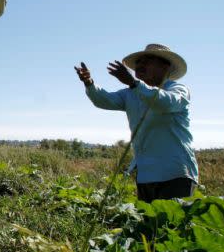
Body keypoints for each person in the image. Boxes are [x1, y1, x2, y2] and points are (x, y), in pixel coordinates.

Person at [74, 43, 198, 201]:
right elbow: (103, 100)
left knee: (173, 224)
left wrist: (133, 84)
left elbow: (165, 102)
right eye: (139, 61)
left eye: (148, 60)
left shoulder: (177, 89)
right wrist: (89, 83)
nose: (140, 64)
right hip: (146, 175)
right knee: (148, 224)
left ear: (165, 66)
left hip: (175, 174)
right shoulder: (131, 93)